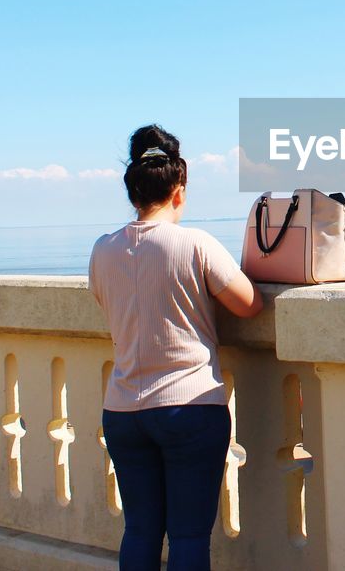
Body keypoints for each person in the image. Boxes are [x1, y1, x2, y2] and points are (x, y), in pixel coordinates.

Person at [90, 125, 263, 570]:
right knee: (187, 537)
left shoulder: (102, 250)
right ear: (179, 191)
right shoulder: (196, 244)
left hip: (124, 410)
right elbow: (248, 305)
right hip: (190, 407)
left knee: (140, 531)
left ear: (132, 192)